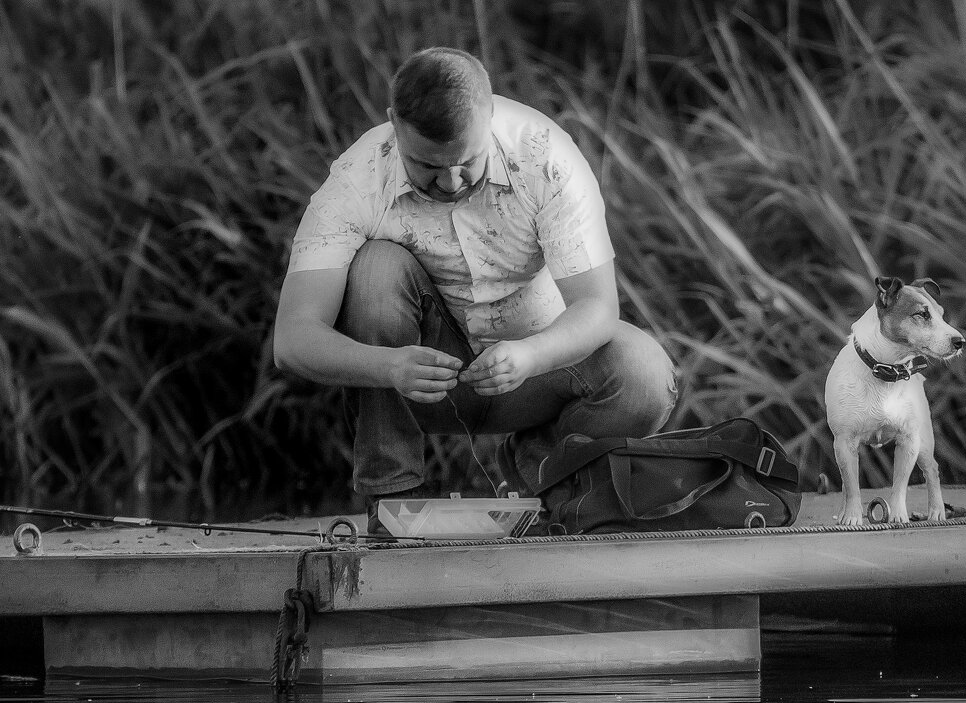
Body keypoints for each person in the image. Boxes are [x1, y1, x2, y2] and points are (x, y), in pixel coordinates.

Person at [273, 47, 678, 534]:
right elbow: (293, 339)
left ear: (490, 114)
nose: (450, 181)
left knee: (647, 376)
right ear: (393, 124)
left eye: (466, 162)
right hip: (419, 383)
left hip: (534, 368)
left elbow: (597, 307)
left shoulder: (545, 156)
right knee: (376, 268)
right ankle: (393, 503)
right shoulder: (355, 180)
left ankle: (540, 478)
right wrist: (388, 367)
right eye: (426, 165)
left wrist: (531, 355)